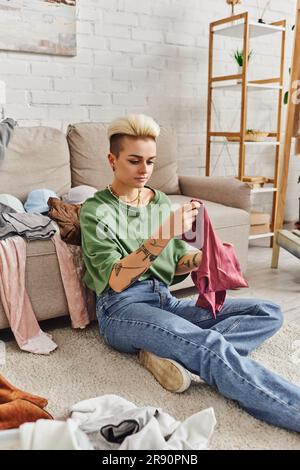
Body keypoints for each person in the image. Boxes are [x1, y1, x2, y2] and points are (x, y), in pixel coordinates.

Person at [80, 114, 300, 433]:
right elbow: (116, 278)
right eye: (134, 161)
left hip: (165, 301)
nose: (144, 170)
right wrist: (165, 233)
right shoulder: (96, 210)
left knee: (268, 311)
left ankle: (170, 354)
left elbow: (176, 260)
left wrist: (202, 258)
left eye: (151, 162)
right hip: (122, 309)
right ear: (112, 160)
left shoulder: (159, 201)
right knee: (208, 345)